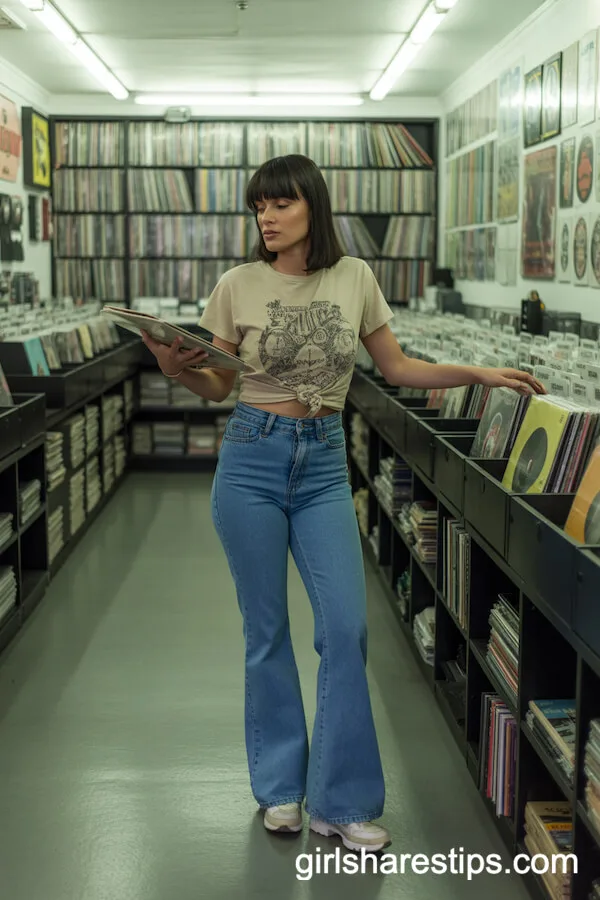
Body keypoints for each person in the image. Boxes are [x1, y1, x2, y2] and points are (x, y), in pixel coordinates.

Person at [141, 154, 545, 854]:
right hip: (251, 462)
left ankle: (342, 800)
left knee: (346, 630)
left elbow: (397, 368)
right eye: (258, 207)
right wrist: (174, 366)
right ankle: (278, 792)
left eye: (280, 204)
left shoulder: (354, 276)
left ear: (312, 208)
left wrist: (479, 374)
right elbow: (216, 385)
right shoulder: (236, 284)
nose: (266, 217)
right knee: (265, 633)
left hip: (324, 463)